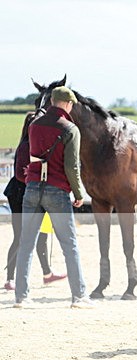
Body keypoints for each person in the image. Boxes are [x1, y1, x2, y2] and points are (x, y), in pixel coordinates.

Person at [13, 86, 92, 309]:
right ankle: (79, 296)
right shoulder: (70, 129)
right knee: (69, 244)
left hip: (32, 187)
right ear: (67, 104)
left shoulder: (34, 125)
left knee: (26, 243)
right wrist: (78, 193)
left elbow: (32, 155)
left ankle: (22, 297)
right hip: (57, 190)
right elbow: (72, 166)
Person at [4, 112, 66, 291]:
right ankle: (10, 279)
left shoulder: (36, 145)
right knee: (20, 236)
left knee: (42, 234)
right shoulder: (26, 146)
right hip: (20, 193)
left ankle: (47, 273)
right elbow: (21, 174)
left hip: (33, 193)